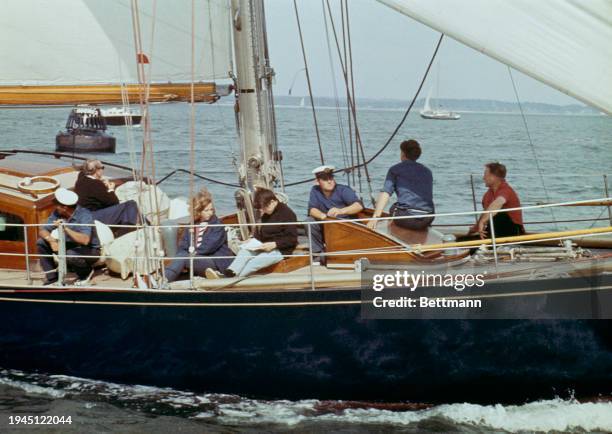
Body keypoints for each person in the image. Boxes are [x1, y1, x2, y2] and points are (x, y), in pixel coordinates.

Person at [206, 188, 298, 278]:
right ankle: (230, 272)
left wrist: (275, 244)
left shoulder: (288, 214)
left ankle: (232, 279)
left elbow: (292, 239)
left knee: (255, 262)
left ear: (273, 202)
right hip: (264, 245)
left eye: (264, 207)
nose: (262, 210)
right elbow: (262, 232)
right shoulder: (267, 213)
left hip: (281, 250)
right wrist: (253, 240)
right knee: (244, 252)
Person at [165, 189, 233, 282]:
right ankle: (165, 277)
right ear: (198, 211)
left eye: (211, 209)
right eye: (206, 210)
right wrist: (184, 254)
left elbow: (208, 247)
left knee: (185, 256)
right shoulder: (191, 225)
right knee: (182, 254)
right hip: (196, 258)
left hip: (215, 262)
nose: (210, 212)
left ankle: (165, 279)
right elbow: (183, 245)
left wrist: (191, 253)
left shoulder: (217, 225)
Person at [37, 188, 100, 285]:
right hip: (70, 245)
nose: (55, 207)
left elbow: (85, 240)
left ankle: (86, 274)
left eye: (57, 205)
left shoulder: (84, 215)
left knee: (70, 253)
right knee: (41, 242)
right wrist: (51, 241)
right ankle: (52, 277)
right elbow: (43, 230)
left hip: (90, 250)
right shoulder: (57, 213)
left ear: (64, 208)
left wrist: (65, 228)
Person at [368, 139, 434, 230]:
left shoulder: (395, 170)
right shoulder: (427, 172)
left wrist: (375, 217)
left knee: (393, 208)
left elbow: (386, 193)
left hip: (406, 218)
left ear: (403, 154)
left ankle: (394, 231)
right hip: (427, 218)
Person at [74, 159, 141, 235]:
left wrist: (100, 180)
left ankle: (125, 228)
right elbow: (114, 202)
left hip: (84, 216)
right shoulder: (96, 184)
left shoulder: (80, 180)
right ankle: (128, 232)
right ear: (97, 170)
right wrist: (110, 189)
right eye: (102, 168)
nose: (103, 170)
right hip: (93, 217)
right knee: (130, 204)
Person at [307, 165, 363, 254]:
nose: (329, 181)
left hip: (345, 226)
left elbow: (358, 206)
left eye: (331, 178)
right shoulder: (315, 190)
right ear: (317, 181)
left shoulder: (343, 190)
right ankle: (317, 253)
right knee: (309, 221)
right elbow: (312, 210)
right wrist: (324, 217)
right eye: (325, 179)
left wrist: (341, 211)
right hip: (326, 223)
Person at [469, 162, 525, 239]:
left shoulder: (506, 190)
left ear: (493, 177)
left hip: (512, 231)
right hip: (494, 232)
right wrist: (476, 227)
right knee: (462, 241)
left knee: (498, 213)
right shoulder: (487, 194)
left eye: (485, 175)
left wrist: (483, 221)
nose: (483, 178)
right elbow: (485, 212)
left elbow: (498, 202)